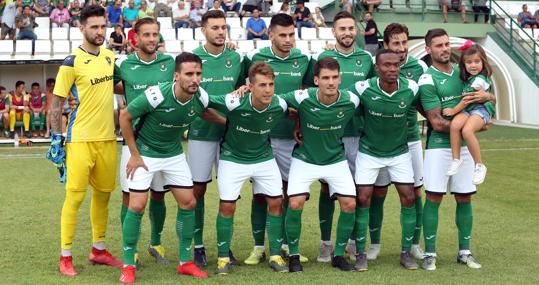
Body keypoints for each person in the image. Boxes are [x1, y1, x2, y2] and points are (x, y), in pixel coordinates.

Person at [118, 52, 210, 283]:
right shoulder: (157, 95)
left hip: (173, 154)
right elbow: (125, 116)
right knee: (137, 204)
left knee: (189, 202)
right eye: (189, 74)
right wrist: (134, 154)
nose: (194, 79)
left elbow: (215, 108)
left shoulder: (200, 97)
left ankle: (185, 262)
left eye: (198, 74)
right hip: (145, 153)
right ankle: (128, 264)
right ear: (176, 75)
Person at [48, 4, 121, 276]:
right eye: (94, 27)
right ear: (81, 28)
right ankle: (65, 256)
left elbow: (118, 87)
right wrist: (56, 137)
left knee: (103, 196)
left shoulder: (110, 57)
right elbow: (56, 104)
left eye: (103, 26)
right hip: (79, 140)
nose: (100, 31)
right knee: (75, 198)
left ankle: (98, 250)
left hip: (107, 140)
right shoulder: (71, 61)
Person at [417, 28, 495, 271]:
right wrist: (475, 128)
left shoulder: (464, 74)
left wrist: (490, 97)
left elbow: (485, 96)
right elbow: (437, 122)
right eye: (438, 45)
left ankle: (464, 252)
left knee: (464, 197)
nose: (444, 49)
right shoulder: (427, 79)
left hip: (464, 148)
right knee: (433, 197)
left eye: (446, 44)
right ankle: (430, 253)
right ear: (428, 49)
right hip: (439, 148)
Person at [304, 11, 374, 263]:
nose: (347, 33)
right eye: (341, 28)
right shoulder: (322, 57)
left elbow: (372, 93)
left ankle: (352, 242)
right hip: (326, 134)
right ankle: (325, 243)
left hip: (356, 134)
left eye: (350, 28)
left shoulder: (366, 59)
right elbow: (307, 92)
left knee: (352, 190)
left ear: (356, 31)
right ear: (333, 31)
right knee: (326, 187)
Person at [243, 13, 311, 266]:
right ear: (270, 35)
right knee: (260, 195)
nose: (288, 40)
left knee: (289, 193)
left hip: (290, 138)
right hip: (262, 136)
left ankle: (285, 244)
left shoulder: (303, 60)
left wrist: (298, 120)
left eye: (292, 34)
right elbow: (243, 90)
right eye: (282, 35)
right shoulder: (255, 58)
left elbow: (308, 95)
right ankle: (259, 246)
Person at [282, 58, 359, 273]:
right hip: (305, 159)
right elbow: (272, 101)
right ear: (316, 80)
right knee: (295, 203)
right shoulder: (302, 97)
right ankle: (294, 256)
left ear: (340, 79)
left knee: (349, 205)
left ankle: (338, 255)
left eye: (335, 77)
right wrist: (297, 121)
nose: (331, 82)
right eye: (325, 78)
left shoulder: (351, 100)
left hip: (335, 158)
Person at [213, 63, 289, 275]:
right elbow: (204, 102)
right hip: (233, 158)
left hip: (264, 158)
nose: (267, 90)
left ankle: (274, 254)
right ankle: (222, 258)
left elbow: (295, 111)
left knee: (276, 201)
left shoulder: (279, 104)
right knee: (227, 206)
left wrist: (299, 126)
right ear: (250, 87)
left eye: (271, 85)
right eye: (262, 85)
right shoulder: (235, 102)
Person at [114, 17, 176, 270]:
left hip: (163, 142)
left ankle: (156, 242)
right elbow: (114, 86)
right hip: (134, 143)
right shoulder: (124, 65)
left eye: (155, 35)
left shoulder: (169, 63)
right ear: (135, 38)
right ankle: (132, 250)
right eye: (146, 35)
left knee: (159, 195)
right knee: (129, 197)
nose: (152, 39)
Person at [350, 49, 420, 271]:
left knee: (409, 197)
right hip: (369, 153)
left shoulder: (411, 88)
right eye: (387, 65)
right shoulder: (363, 88)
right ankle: (360, 252)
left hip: (399, 153)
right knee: (363, 199)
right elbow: (343, 104)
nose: (392, 69)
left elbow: (425, 108)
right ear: (377, 68)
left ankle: (406, 253)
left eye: (396, 65)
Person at [365, 23, 428, 262]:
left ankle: (413, 244)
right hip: (379, 143)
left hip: (410, 140)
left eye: (404, 43)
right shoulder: (377, 68)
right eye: (396, 44)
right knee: (377, 192)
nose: (401, 49)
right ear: (386, 45)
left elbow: (426, 100)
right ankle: (375, 244)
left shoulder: (419, 66)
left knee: (414, 192)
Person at [189, 9, 245, 268]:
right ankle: (198, 246)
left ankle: (225, 248)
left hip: (231, 139)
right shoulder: (193, 60)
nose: (221, 32)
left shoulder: (236, 57)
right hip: (201, 134)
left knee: (229, 195)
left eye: (224, 27)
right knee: (197, 192)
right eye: (215, 28)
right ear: (203, 31)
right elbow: (194, 103)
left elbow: (243, 91)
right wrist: (226, 120)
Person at [445, 41, 493, 185]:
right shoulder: (469, 78)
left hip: (480, 109)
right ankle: (456, 159)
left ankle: (479, 165)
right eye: (469, 62)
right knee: (455, 125)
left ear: (483, 62)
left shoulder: (479, 80)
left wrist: (453, 110)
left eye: (477, 61)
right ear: (464, 65)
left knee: (467, 131)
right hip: (469, 109)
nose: (473, 65)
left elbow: (467, 99)